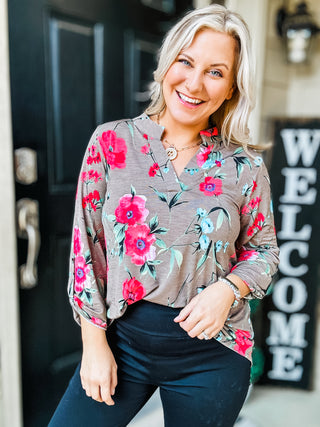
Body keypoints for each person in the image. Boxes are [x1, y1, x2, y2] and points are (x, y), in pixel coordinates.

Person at [49, 4, 279, 427]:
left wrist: (228, 288)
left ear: (230, 88)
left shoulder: (244, 167)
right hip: (123, 342)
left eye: (215, 71)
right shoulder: (111, 142)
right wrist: (93, 343)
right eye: (186, 62)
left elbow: (264, 253)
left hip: (213, 353)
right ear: (166, 63)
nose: (194, 83)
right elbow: (87, 251)